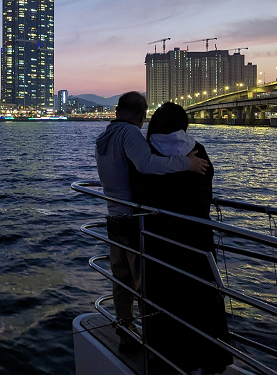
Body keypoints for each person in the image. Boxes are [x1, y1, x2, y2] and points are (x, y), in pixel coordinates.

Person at [94, 92, 209, 346]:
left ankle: (125, 331)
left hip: (113, 217)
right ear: (141, 114)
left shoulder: (105, 135)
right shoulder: (129, 133)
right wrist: (186, 163)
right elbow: (146, 164)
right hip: (133, 219)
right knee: (143, 282)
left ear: (117, 110)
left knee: (120, 279)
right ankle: (152, 339)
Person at [139, 102, 233, 374]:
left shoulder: (149, 152)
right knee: (204, 298)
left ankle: (171, 359)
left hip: (161, 238)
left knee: (166, 299)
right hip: (198, 236)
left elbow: (142, 188)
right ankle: (210, 360)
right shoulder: (197, 149)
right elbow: (207, 177)